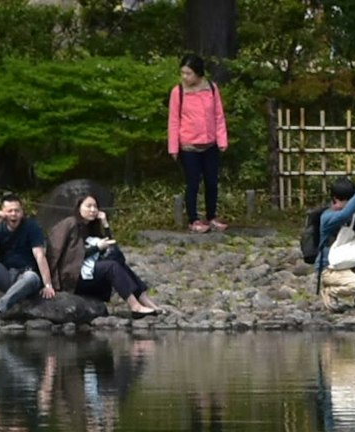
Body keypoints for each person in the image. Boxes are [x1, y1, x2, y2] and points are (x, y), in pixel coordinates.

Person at [49, 191, 161, 316]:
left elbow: (113, 250)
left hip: (88, 271)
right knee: (111, 267)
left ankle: (147, 303)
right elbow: (67, 254)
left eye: (95, 207)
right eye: (88, 206)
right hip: (72, 276)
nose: (92, 210)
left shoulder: (91, 227)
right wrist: (51, 283)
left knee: (119, 263)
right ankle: (135, 306)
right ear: (78, 207)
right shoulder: (70, 223)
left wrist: (105, 225)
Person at [168, 58, 229, 232]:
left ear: (198, 73)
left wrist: (222, 139)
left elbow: (219, 115)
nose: (184, 77)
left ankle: (211, 216)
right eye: (183, 73)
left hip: (210, 143)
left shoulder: (211, 88)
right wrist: (173, 147)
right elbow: (173, 120)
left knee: (211, 182)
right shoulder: (178, 92)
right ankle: (193, 219)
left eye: (188, 73)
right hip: (189, 145)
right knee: (192, 183)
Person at [303, 177, 355, 311]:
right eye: (348, 201)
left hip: (347, 263)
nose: (351, 204)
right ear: (335, 199)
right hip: (329, 268)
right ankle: (330, 292)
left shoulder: (352, 215)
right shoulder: (327, 217)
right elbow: (344, 214)